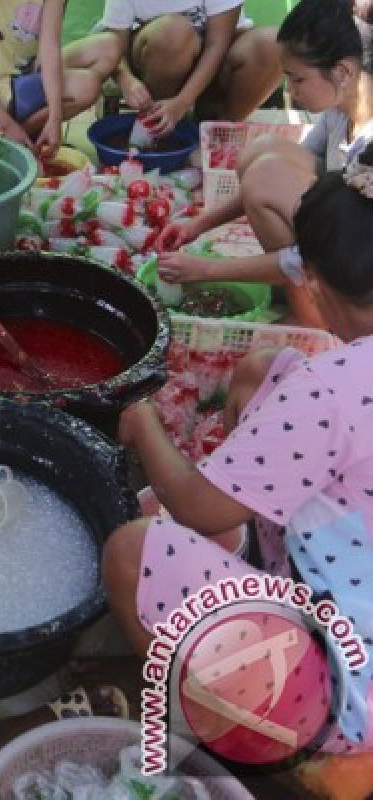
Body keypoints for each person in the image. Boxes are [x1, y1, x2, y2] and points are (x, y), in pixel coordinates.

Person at [104, 142, 373, 757]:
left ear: (317, 283)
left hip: (343, 683)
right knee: (262, 371)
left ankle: (216, 729)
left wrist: (146, 423)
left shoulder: (332, 393)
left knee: (133, 551)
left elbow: (199, 508)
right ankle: (264, 565)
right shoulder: (333, 383)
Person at [157, 0, 373, 330]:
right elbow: (281, 164)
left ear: (343, 72)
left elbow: (313, 250)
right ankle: (304, 295)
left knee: (265, 177)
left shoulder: (367, 147)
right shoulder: (342, 105)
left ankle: (316, 320)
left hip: (360, 279)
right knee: (263, 151)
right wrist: (199, 224)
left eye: (297, 79)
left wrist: (204, 269)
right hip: (341, 244)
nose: (290, 90)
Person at [63, 0, 281, 138]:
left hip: (217, 59)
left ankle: (219, 128)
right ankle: (163, 124)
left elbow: (218, 45)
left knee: (274, 44)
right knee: (173, 32)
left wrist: (184, 101)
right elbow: (114, 43)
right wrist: (126, 79)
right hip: (155, 64)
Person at [0, 0, 98, 157]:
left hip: (18, 81)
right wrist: (7, 125)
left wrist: (55, 118)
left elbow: (50, 48)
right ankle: (7, 137)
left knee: (89, 82)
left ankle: (19, 136)